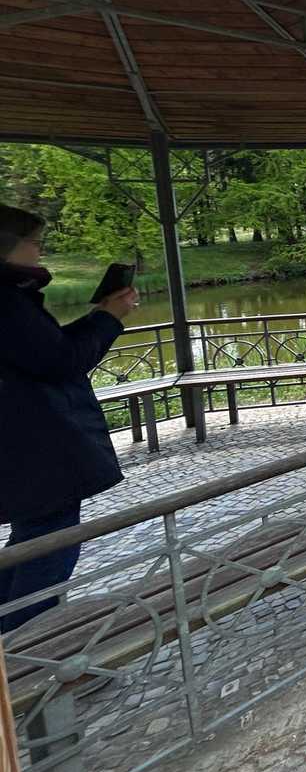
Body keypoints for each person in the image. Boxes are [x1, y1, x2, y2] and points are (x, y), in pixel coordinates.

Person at [0, 206, 140, 632]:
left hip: (21, 451)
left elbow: (48, 351)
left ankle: (13, 642)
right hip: (34, 450)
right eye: (34, 242)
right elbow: (60, 363)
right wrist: (108, 319)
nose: (40, 250)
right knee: (49, 547)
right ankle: (30, 649)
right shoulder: (6, 300)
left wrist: (101, 317)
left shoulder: (13, 296)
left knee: (30, 540)